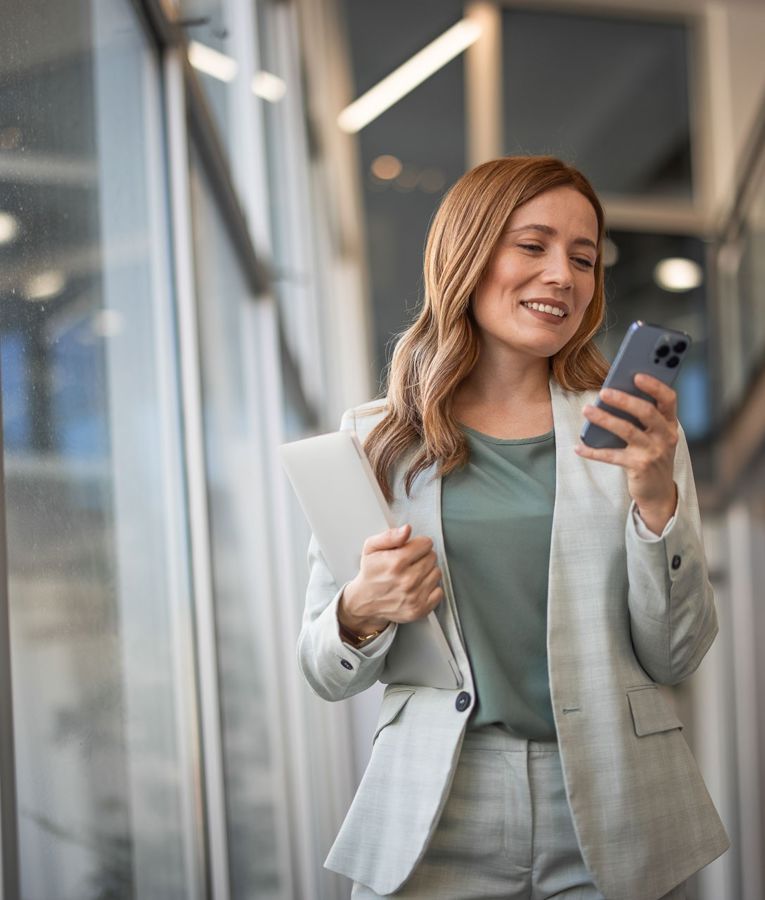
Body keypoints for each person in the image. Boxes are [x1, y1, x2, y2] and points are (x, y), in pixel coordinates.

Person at [297, 156, 729, 899]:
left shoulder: (635, 436)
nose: (561, 274)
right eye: (532, 246)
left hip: (611, 801)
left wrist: (654, 498)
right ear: (468, 254)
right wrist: (361, 609)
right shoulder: (375, 442)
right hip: (436, 806)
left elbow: (676, 654)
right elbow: (320, 668)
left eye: (583, 257)